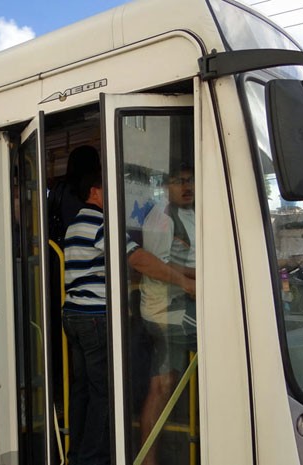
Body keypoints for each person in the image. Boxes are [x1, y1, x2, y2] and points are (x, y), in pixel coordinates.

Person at [62, 148, 192, 465]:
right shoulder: (101, 223)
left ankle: (77, 453)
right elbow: (136, 258)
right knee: (105, 393)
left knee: (82, 392)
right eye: (109, 188)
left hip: (74, 316)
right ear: (95, 191)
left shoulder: (74, 224)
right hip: (96, 319)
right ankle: (94, 458)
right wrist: (185, 282)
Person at [138, 163, 196, 465]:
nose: (185, 186)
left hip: (187, 303)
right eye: (178, 181)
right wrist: (197, 276)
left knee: (165, 384)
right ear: (166, 186)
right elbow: (158, 266)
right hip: (169, 310)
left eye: (190, 180)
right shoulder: (161, 219)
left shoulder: (195, 213)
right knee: (162, 386)